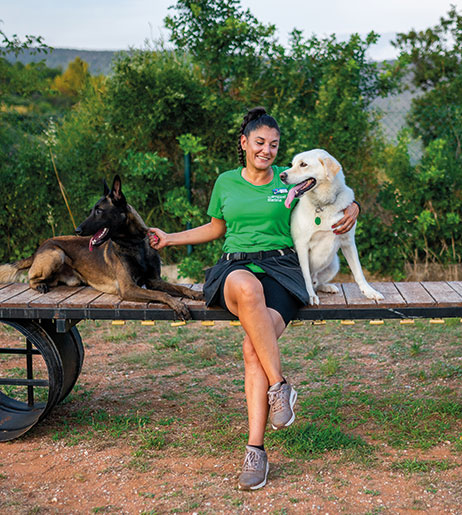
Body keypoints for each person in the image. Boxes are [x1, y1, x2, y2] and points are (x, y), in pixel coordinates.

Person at [148, 107, 360, 491]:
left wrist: (354, 208)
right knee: (247, 287)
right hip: (235, 269)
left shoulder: (289, 182)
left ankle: (256, 451)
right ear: (244, 143)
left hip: (283, 271)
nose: (267, 150)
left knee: (251, 348)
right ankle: (281, 387)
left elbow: (333, 193)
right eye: (259, 142)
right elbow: (215, 228)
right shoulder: (227, 182)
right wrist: (171, 238)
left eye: (274, 145)